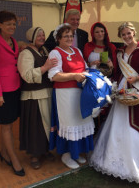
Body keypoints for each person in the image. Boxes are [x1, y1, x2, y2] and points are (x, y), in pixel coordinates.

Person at [89, 22, 139, 185]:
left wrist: (137, 78)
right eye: (123, 35)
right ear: (120, 36)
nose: (127, 37)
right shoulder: (119, 51)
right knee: (117, 126)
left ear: (134, 33)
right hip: (124, 89)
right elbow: (117, 72)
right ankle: (116, 164)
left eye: (129, 33)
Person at [48, 23, 94, 169]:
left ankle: (77, 152)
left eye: (71, 36)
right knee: (69, 124)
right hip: (65, 95)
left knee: (80, 121)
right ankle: (67, 155)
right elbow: (54, 75)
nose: (69, 38)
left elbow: (85, 68)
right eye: (65, 36)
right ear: (58, 38)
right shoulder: (55, 53)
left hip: (80, 93)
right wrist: (74, 75)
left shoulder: (77, 51)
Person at [0, 10, 25, 177]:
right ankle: (13, 159)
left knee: (9, 124)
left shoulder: (14, 42)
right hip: (2, 92)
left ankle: (3, 153)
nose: (12, 27)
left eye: (14, 24)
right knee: (6, 126)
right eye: (8, 23)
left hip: (15, 88)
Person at [17, 27, 57, 169]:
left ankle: (45, 150)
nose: (42, 37)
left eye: (43, 34)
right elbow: (26, 75)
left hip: (47, 92)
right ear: (31, 37)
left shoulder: (45, 51)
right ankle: (34, 154)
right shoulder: (26, 53)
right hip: (33, 96)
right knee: (36, 127)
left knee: (47, 125)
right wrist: (45, 67)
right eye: (39, 35)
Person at [83, 22, 117, 133]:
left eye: (102, 31)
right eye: (97, 31)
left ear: (105, 32)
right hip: (92, 82)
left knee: (105, 109)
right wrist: (92, 63)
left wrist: (111, 65)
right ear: (93, 33)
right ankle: (93, 133)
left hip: (107, 82)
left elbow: (116, 67)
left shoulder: (111, 47)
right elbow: (83, 65)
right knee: (94, 109)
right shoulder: (88, 46)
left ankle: (103, 134)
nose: (100, 34)